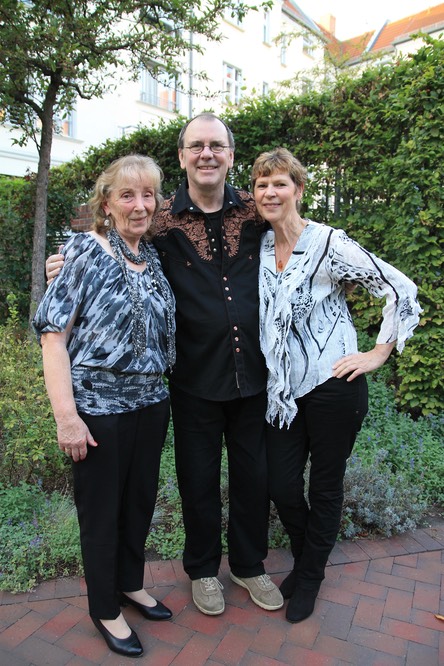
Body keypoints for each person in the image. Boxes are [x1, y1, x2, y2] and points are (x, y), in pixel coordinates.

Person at [46, 113, 284, 617]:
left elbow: (298, 235)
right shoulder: (162, 219)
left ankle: (248, 565)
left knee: (252, 478)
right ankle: (201, 571)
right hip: (192, 381)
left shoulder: (256, 210)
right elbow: (104, 237)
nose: (207, 154)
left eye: (216, 145)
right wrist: (61, 263)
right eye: (196, 145)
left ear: (231, 154)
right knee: (197, 482)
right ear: (182, 157)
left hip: (252, 375)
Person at [252, 147, 422, 624]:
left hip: (334, 386)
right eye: (262, 184)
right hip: (284, 393)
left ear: (299, 190)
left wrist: (377, 353)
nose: (270, 192)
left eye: (280, 183)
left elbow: (399, 288)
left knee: (324, 487)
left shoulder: (328, 243)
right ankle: (310, 558)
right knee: (280, 484)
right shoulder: (261, 246)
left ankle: (310, 577)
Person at [34, 155, 176, 658]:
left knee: (138, 503)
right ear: (107, 202)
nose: (140, 205)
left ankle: (130, 583)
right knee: (101, 511)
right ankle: (104, 607)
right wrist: (67, 417)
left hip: (151, 403)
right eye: (127, 195)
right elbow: (54, 339)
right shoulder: (83, 253)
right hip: (96, 408)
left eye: (149, 195)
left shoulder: (152, 259)